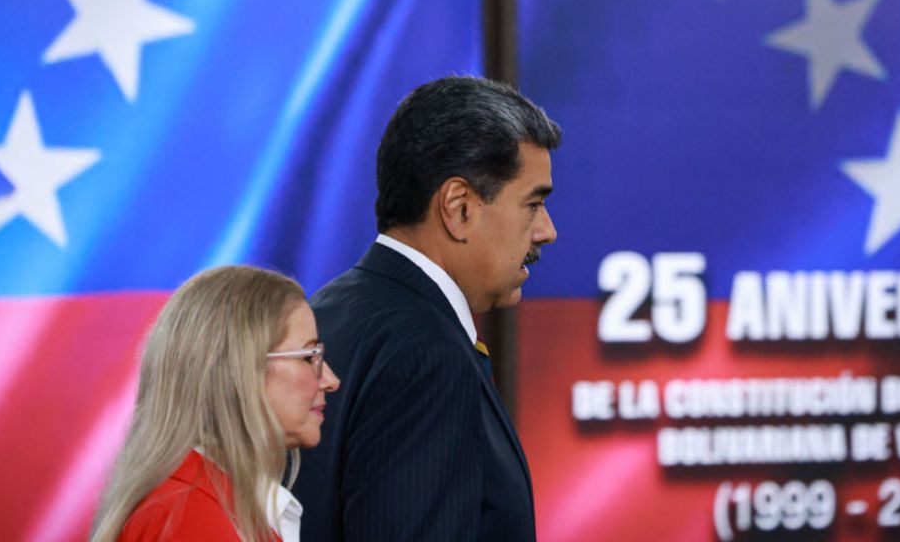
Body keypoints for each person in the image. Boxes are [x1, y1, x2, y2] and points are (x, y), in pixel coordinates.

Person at [294, 76, 561, 541]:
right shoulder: (428, 355)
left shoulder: (326, 311)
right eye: (532, 204)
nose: (546, 231)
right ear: (459, 208)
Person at [91, 265, 340, 542]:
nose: (330, 380)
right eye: (309, 356)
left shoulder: (199, 506)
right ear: (238, 370)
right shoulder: (185, 518)